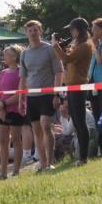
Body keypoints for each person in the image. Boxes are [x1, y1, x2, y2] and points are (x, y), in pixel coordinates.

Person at [20, 20, 65, 171]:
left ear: (40, 31)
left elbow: (59, 72)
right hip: (32, 96)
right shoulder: (24, 53)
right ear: (26, 33)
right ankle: (43, 162)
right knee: (36, 130)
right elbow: (23, 78)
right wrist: (21, 99)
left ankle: (50, 162)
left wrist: (56, 93)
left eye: (35, 30)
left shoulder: (49, 49)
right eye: (30, 30)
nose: (33, 33)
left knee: (46, 125)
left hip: (48, 94)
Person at [51, 18, 93, 166]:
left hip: (78, 84)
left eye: (72, 29)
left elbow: (66, 59)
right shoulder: (76, 44)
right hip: (71, 84)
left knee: (80, 122)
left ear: (79, 30)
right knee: (76, 121)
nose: (70, 32)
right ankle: (80, 155)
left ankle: (83, 157)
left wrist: (55, 46)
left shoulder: (85, 45)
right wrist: (61, 46)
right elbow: (65, 60)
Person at [0, 46, 30, 179]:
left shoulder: (21, 71)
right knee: (3, 141)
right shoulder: (3, 72)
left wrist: (4, 104)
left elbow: (20, 93)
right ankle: (3, 173)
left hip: (15, 110)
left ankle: (16, 171)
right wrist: (0, 106)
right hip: (2, 110)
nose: (5, 57)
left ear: (15, 56)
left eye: (7, 54)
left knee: (15, 139)